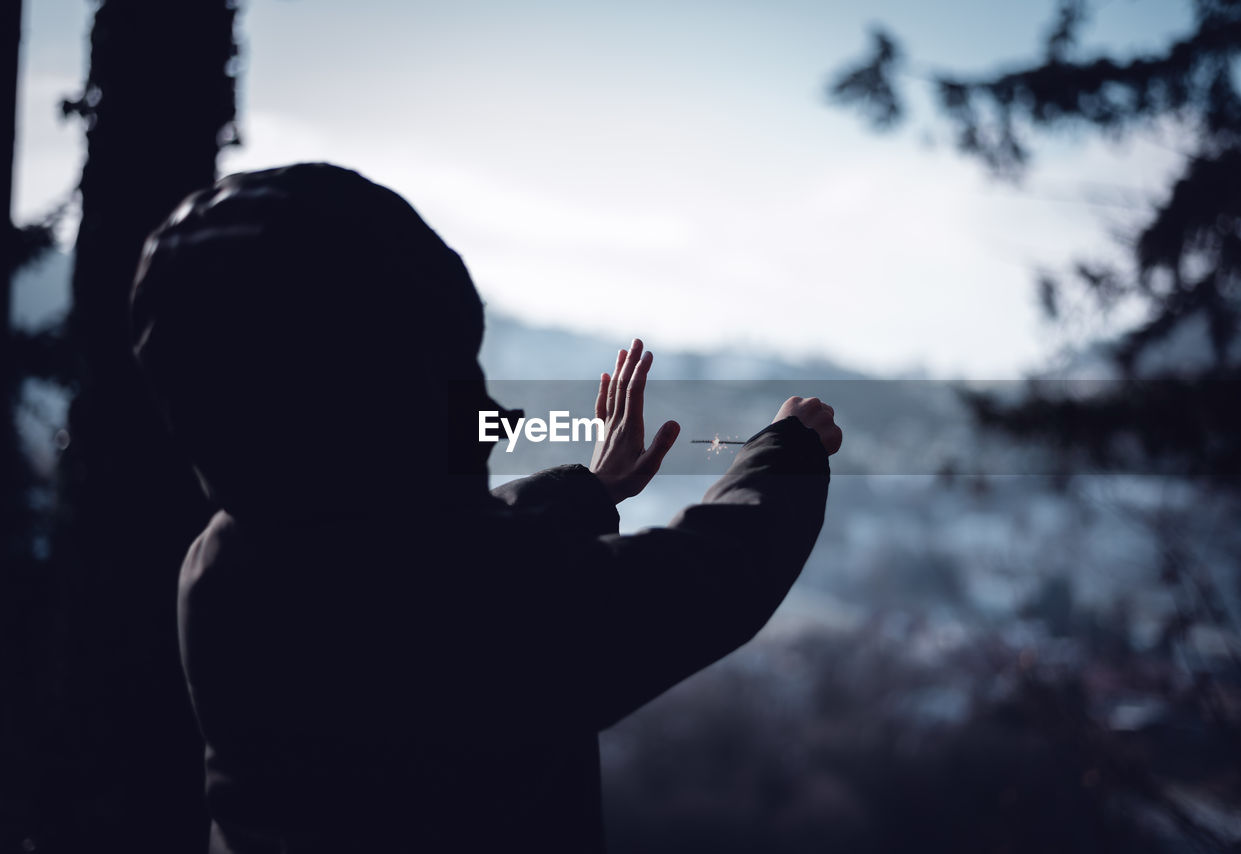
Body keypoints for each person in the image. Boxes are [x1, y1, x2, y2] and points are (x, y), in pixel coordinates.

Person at [129, 163, 841, 853]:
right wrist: (788, 451)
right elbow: (706, 579)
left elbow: (427, 550)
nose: (489, 408)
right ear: (374, 385)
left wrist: (588, 490)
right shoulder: (459, 606)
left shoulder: (224, 560)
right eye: (450, 366)